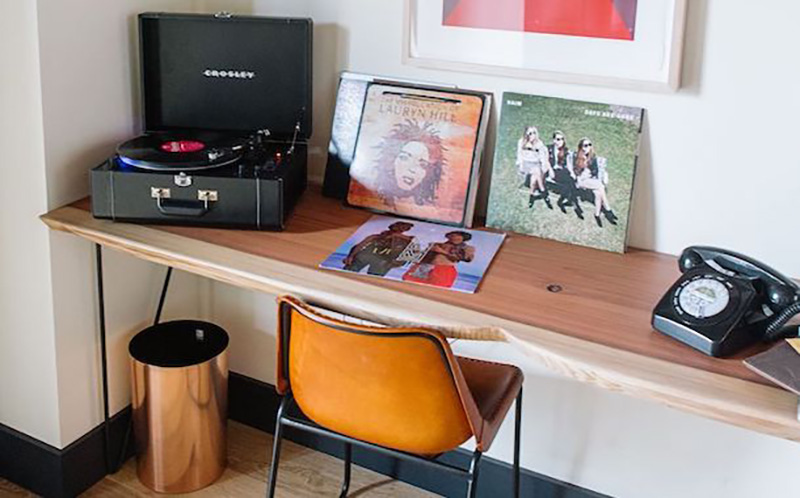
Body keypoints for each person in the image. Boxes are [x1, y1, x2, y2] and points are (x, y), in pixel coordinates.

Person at [374, 120, 446, 208]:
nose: (412, 169)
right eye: (404, 158)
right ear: (391, 160)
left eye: (422, 165)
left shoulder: (429, 210)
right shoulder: (374, 200)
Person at [402, 231, 475, 288]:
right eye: (452, 236)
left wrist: (441, 251)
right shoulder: (438, 244)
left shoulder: (467, 248)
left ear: (463, 238)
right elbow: (424, 255)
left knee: (435, 287)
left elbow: (463, 259)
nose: (454, 238)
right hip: (425, 266)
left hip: (444, 269)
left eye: (457, 237)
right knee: (410, 283)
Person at [573, 138, 618, 227]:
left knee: (598, 193)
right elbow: (575, 173)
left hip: (590, 180)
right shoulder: (577, 157)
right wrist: (583, 175)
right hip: (580, 181)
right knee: (600, 187)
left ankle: (597, 215)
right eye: (585, 145)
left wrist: (600, 174)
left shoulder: (592, 157)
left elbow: (594, 171)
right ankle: (608, 209)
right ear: (581, 147)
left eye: (590, 145)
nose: (588, 147)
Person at [342, 221, 415, 276]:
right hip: (369, 256)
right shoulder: (376, 237)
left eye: (405, 228)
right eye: (402, 228)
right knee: (350, 270)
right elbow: (360, 245)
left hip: (383, 260)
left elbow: (411, 244)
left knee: (375, 275)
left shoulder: (404, 240)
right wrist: (350, 256)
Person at [547, 131, 583, 219]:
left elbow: (569, 164)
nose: (560, 141)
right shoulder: (548, 148)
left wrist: (572, 173)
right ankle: (575, 205)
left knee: (570, 181)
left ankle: (565, 202)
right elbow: (545, 161)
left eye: (562, 139)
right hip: (552, 171)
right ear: (554, 140)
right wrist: (550, 170)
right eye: (558, 139)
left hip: (562, 172)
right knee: (569, 182)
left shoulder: (565, 150)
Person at [515, 126, 553, 209]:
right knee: (537, 174)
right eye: (530, 133)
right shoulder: (521, 142)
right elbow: (519, 155)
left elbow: (543, 157)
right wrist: (520, 165)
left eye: (534, 133)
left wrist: (544, 168)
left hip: (536, 164)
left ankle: (532, 197)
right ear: (526, 134)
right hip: (526, 164)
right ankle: (544, 194)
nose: (532, 135)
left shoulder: (539, 143)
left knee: (534, 179)